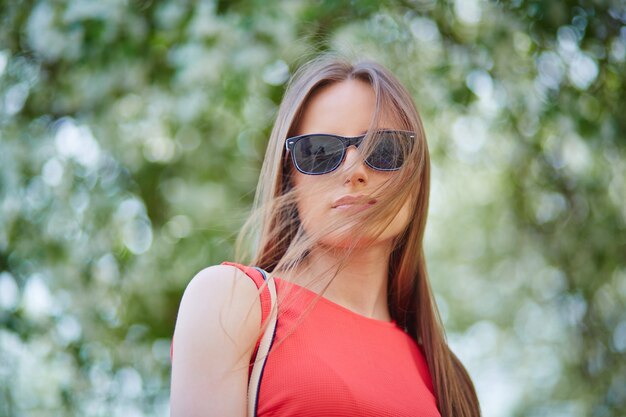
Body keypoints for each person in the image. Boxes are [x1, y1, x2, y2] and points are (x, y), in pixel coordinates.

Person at [170, 54, 480, 417]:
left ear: (417, 174)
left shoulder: (443, 376)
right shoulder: (232, 302)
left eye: (384, 149)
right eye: (318, 152)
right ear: (290, 178)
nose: (354, 170)